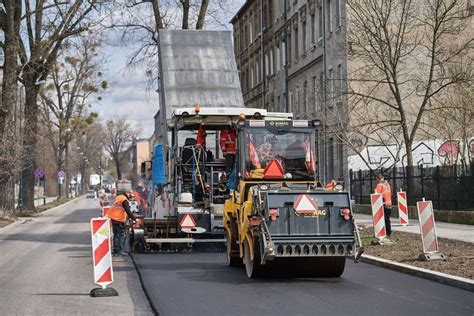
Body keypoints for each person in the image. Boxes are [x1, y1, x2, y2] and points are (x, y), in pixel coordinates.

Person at [106, 189, 137, 257]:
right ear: (127, 193)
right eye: (130, 194)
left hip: (113, 217)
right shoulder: (124, 200)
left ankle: (115, 251)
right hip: (119, 219)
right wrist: (134, 219)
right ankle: (120, 250)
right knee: (121, 234)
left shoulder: (119, 197)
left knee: (116, 234)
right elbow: (128, 211)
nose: (130, 197)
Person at [376, 173, 392, 237]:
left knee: (384, 219)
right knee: (387, 219)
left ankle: (386, 232)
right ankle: (388, 232)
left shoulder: (379, 185)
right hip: (389, 203)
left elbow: (377, 195)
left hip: (383, 204)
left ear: (377, 178)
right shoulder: (387, 184)